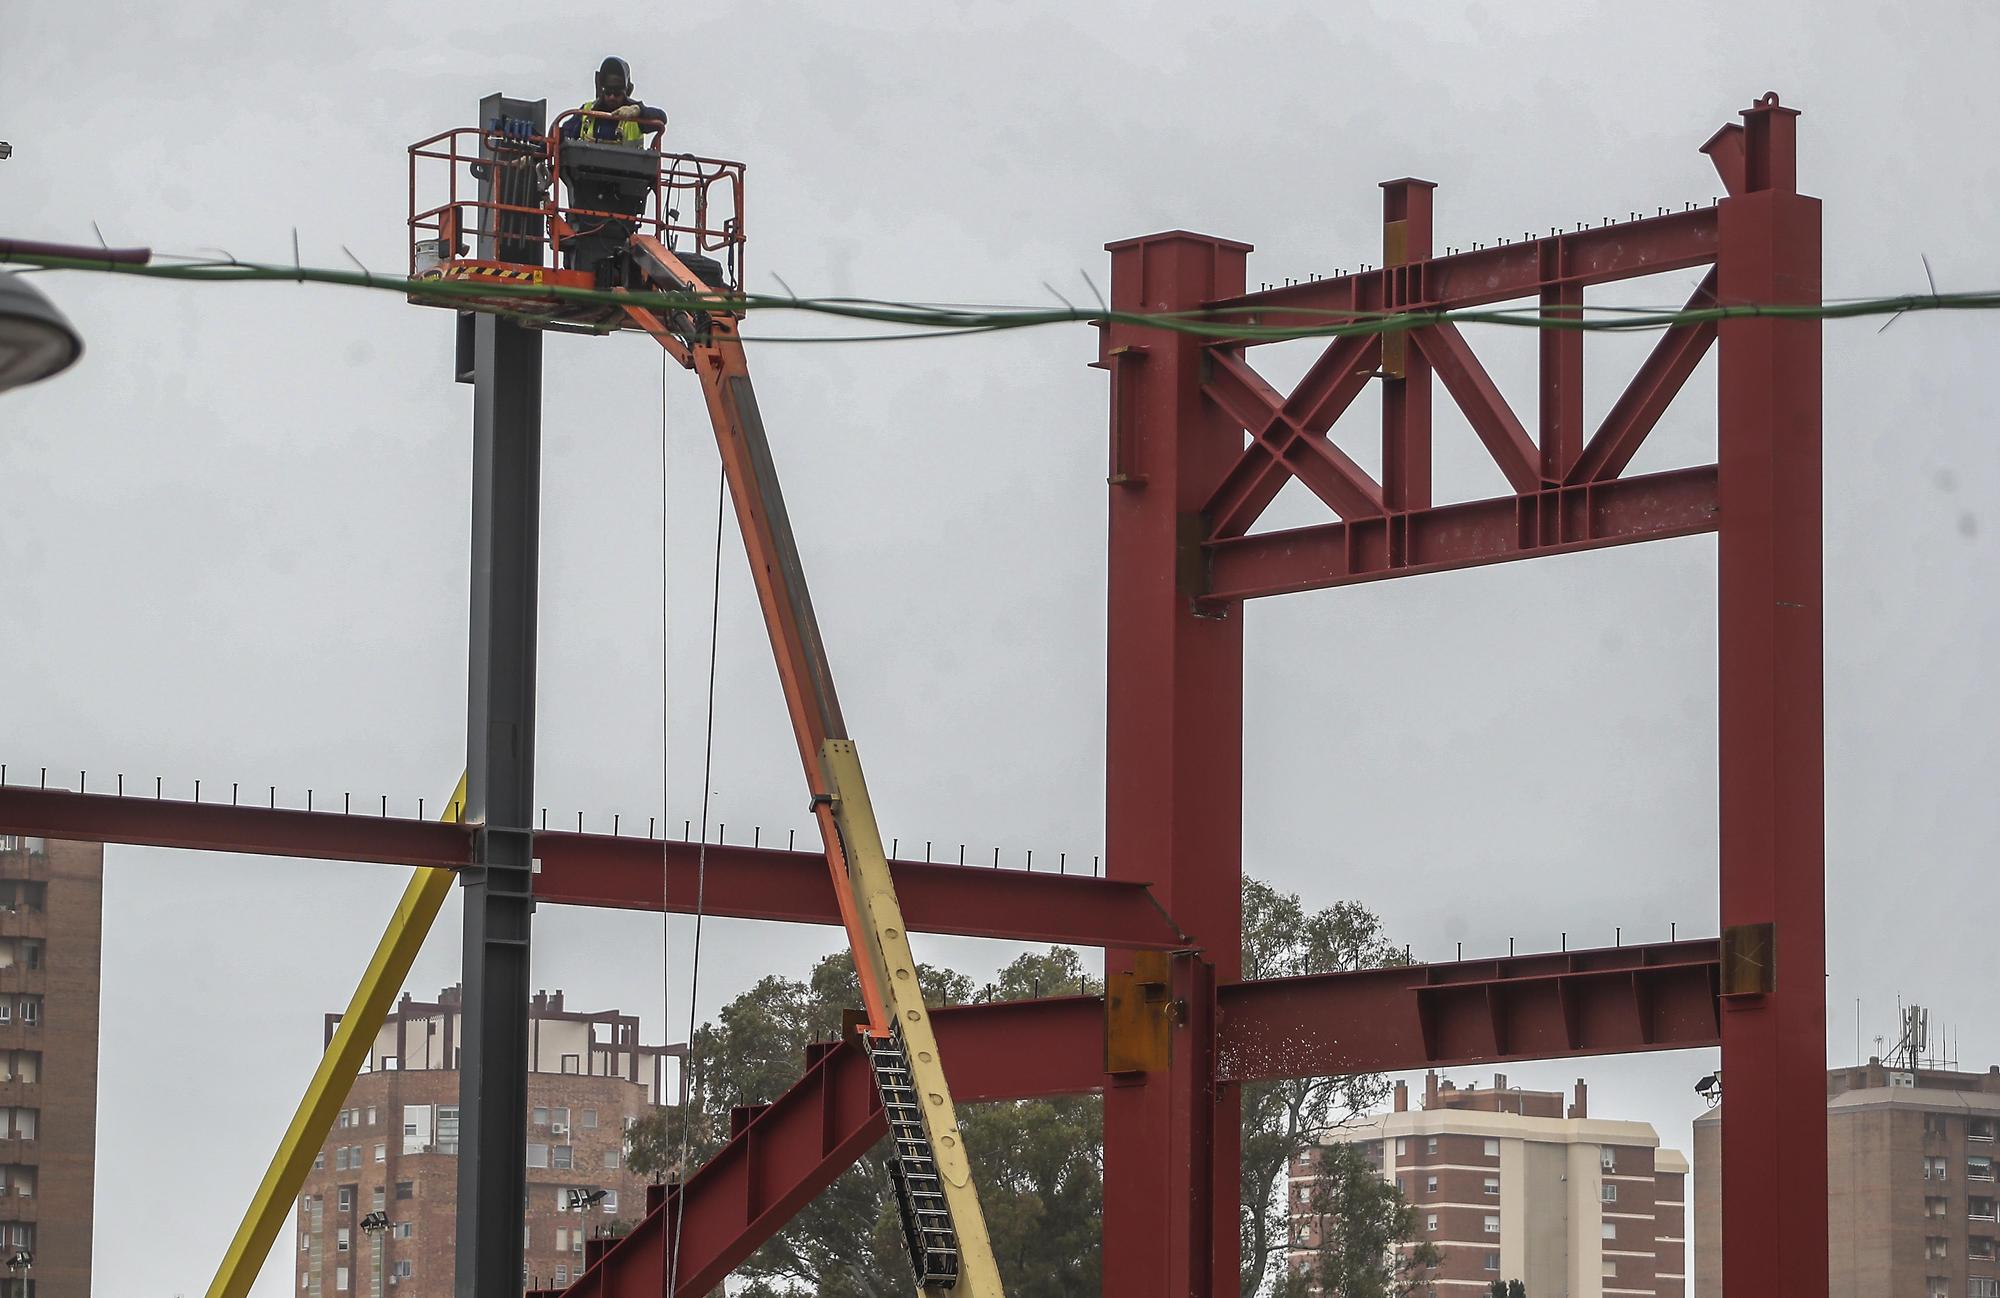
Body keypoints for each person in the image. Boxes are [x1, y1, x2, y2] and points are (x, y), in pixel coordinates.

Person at [563, 57, 666, 145]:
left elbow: (662, 118)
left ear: (626, 91)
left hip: (628, 167)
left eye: (617, 92)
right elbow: (563, 133)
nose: (612, 97)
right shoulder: (587, 111)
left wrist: (638, 110)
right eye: (608, 92)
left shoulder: (635, 116)